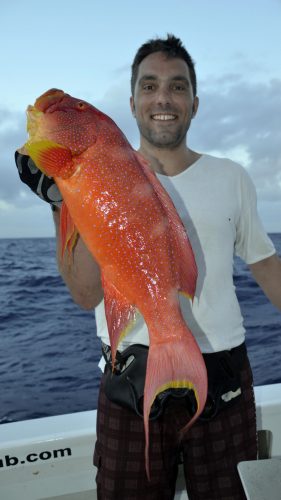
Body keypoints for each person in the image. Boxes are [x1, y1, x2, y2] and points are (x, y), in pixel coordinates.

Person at [15, 34, 281, 500]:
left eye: (178, 87)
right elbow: (84, 295)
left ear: (194, 104)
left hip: (223, 378)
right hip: (128, 378)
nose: (163, 97)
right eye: (150, 85)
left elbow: (268, 266)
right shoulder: (91, 175)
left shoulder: (231, 177)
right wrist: (61, 199)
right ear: (134, 101)